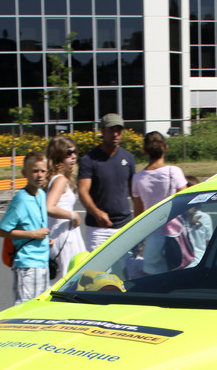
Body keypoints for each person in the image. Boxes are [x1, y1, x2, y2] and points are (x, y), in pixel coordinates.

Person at [0, 151, 50, 305]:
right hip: (27, 263)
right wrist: (33, 234)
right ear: (25, 173)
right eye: (34, 171)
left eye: (43, 171)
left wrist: (45, 238)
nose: (39, 175)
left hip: (43, 261)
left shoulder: (41, 194)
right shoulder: (20, 200)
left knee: (40, 307)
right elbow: (3, 230)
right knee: (25, 307)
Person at [132, 131, 189, 275]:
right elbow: (187, 201)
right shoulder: (174, 172)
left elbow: (138, 214)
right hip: (176, 235)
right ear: (166, 148)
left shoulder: (137, 178)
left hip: (153, 238)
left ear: (145, 151)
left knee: (153, 280)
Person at [78, 113, 136, 250]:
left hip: (124, 225)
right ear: (102, 130)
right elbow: (83, 191)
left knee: (126, 264)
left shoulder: (128, 158)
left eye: (118, 130)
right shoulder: (89, 159)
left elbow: (135, 192)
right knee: (98, 265)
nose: (115, 134)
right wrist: (97, 213)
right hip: (98, 229)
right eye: (111, 130)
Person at [45, 135, 87, 281]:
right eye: (68, 153)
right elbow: (49, 207)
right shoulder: (60, 180)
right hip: (63, 236)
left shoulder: (57, 178)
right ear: (58, 155)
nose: (73, 156)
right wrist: (73, 215)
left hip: (64, 234)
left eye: (75, 152)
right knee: (69, 279)